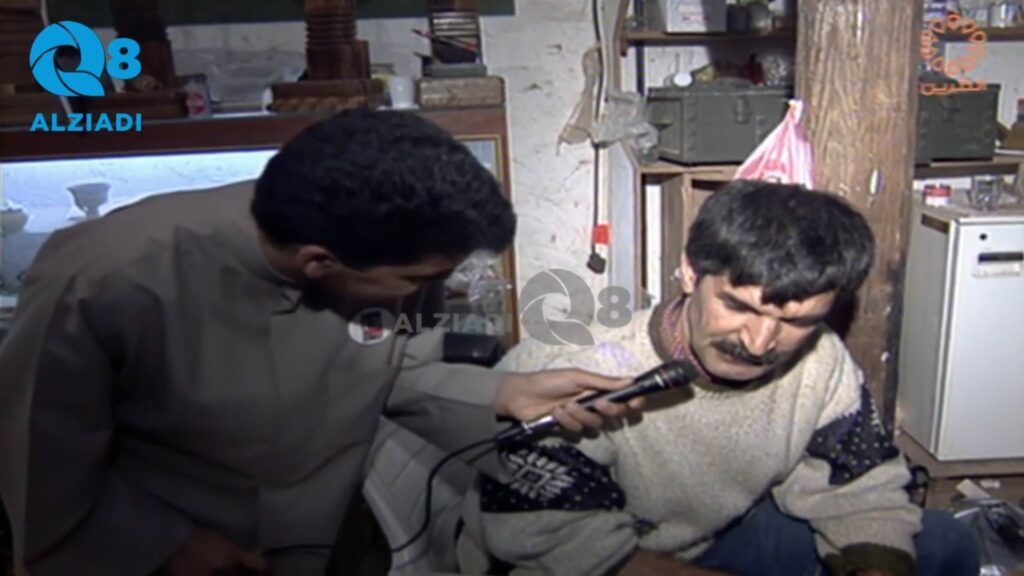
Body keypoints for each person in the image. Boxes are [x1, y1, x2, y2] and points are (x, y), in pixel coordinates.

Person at [0, 109, 639, 576]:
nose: (434, 291)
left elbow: (392, 372)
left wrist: (508, 393)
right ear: (318, 263)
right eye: (422, 280)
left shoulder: (388, 251)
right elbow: (38, 468)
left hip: (330, 539)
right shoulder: (106, 276)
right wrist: (163, 545)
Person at [457, 181, 980, 576]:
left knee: (944, 543)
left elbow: (859, 485)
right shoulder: (562, 371)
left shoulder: (820, 358)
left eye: (797, 321)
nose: (759, 343)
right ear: (690, 272)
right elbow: (561, 548)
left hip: (711, 538)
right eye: (738, 307)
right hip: (568, 564)